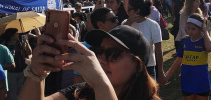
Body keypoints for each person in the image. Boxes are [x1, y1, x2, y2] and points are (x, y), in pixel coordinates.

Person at [18, 25, 161, 100]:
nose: (101, 60)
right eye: (98, 51)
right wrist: (36, 73)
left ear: (138, 66)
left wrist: (100, 83)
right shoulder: (80, 93)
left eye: (114, 54)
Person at [165, 13, 211, 100]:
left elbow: (209, 48)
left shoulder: (206, 40)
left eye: (193, 29)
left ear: (200, 28)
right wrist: (167, 76)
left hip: (201, 81)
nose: (190, 31)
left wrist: (204, 30)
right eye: (188, 28)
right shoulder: (184, 40)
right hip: (187, 80)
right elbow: (178, 60)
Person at [122, 0, 166, 85]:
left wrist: (160, 71)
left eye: (129, 9)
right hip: (129, 68)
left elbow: (158, 50)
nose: (127, 11)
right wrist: (128, 23)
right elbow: (119, 40)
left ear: (137, 11)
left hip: (148, 67)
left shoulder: (152, 25)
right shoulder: (124, 23)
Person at [1, 28, 32, 100]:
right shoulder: (5, 46)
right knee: (12, 94)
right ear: (12, 35)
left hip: (21, 71)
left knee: (21, 92)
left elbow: (29, 53)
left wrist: (26, 43)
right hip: (11, 73)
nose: (18, 35)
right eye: (16, 34)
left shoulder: (19, 44)